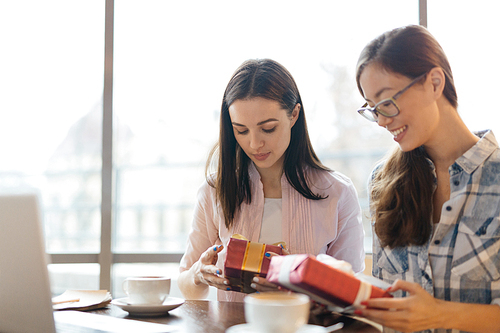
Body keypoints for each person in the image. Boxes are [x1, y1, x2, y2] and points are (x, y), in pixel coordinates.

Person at [178, 58, 365, 302]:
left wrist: (297, 286)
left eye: (268, 128)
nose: (254, 144)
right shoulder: (214, 190)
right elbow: (185, 283)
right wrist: (198, 275)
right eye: (241, 130)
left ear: (294, 114)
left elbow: (351, 291)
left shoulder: (336, 192)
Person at [353, 25, 500, 333]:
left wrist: (440, 315)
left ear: (434, 83)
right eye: (372, 109)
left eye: (386, 102)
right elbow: (383, 299)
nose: (380, 121)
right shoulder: (384, 181)